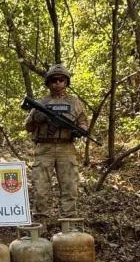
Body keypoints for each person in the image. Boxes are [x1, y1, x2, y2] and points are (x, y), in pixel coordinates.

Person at [24, 64, 88, 221]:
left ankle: (69, 222)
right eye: (53, 80)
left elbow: (83, 123)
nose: (57, 83)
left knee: (70, 186)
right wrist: (35, 118)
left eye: (61, 80)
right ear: (48, 83)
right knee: (40, 187)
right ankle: (40, 223)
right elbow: (28, 126)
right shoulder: (41, 103)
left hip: (66, 148)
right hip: (44, 148)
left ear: (66, 82)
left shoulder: (75, 103)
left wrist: (79, 130)